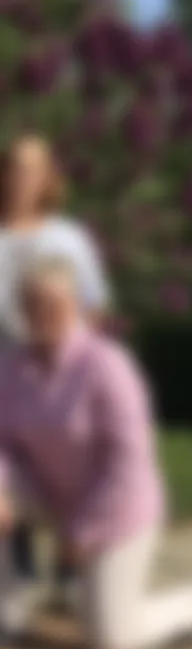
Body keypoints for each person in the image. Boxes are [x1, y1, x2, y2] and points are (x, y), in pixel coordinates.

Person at [0, 254, 192, 649]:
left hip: (117, 511)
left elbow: (127, 466)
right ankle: (11, 607)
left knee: (113, 640)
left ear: (75, 307)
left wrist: (80, 535)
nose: (43, 315)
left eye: (54, 305)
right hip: (50, 493)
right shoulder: (11, 369)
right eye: (33, 305)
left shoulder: (106, 367)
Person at [0, 134, 111, 587]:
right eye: (18, 168)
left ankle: (71, 567)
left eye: (36, 170)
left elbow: (92, 304)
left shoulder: (67, 238)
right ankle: (21, 567)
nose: (25, 179)